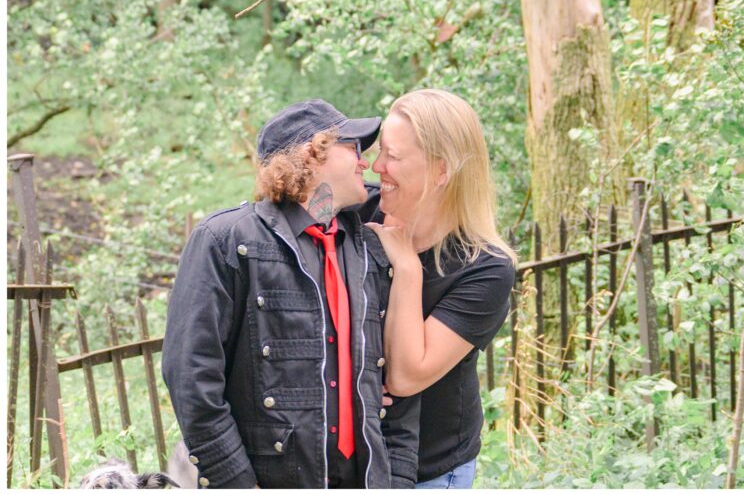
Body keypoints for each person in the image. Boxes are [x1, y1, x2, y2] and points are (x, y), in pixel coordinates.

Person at [162, 99, 418, 489]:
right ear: (310, 155)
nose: (363, 161)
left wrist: (397, 481)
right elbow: (192, 381)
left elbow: (397, 388)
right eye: (351, 147)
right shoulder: (226, 241)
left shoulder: (370, 245)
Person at [362, 89, 517, 489]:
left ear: (441, 170)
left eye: (393, 156)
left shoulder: (486, 269)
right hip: (353, 455)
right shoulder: (359, 212)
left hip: (432, 470)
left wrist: (408, 269)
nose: (376, 165)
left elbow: (406, 376)